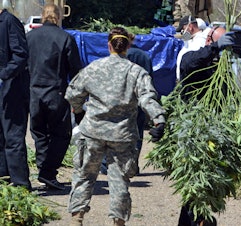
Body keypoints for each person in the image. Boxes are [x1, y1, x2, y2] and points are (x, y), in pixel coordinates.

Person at [66, 27, 165, 226]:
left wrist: (79, 111)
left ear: (108, 45)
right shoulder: (136, 71)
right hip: (122, 135)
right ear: (128, 46)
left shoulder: (93, 68)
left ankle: (77, 220)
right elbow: (148, 98)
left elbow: (72, 94)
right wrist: (159, 119)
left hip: (92, 132)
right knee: (119, 181)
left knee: (84, 176)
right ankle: (118, 222)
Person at [178, 26, 234, 226]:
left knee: (208, 184)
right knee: (195, 183)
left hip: (214, 132)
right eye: (218, 44)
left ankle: (194, 221)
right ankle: (198, 221)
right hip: (193, 131)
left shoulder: (223, 69)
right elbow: (189, 64)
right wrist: (215, 49)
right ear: (209, 40)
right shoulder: (191, 57)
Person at [26, 3, 83, 190]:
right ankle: (48, 172)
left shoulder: (30, 37)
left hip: (34, 91)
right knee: (61, 134)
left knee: (39, 132)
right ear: (58, 17)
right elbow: (76, 70)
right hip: (56, 92)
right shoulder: (65, 37)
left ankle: (44, 168)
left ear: (42, 16)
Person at [100, 34, 154, 175]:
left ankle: (107, 164)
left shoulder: (116, 58)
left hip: (118, 101)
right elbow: (149, 80)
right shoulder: (144, 56)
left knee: (113, 131)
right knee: (136, 134)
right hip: (137, 101)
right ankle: (132, 165)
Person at [0, 8, 32, 191]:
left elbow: (20, 54)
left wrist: (3, 75)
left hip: (11, 90)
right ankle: (3, 177)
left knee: (13, 137)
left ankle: (20, 184)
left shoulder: (9, 22)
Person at [175, 15, 209, 81]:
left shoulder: (200, 41)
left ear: (190, 27)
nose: (182, 32)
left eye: (183, 29)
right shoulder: (192, 40)